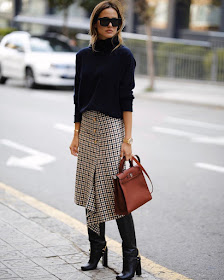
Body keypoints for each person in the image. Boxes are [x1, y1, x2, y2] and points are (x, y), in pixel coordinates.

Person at [69, 1, 141, 279]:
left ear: (120, 24)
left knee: (115, 194)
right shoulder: (83, 56)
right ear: (94, 24)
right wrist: (75, 133)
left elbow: (127, 99)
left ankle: (131, 258)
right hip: (87, 128)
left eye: (115, 21)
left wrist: (127, 139)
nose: (110, 25)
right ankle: (97, 250)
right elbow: (78, 97)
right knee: (89, 191)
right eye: (104, 20)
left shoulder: (124, 56)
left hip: (112, 129)